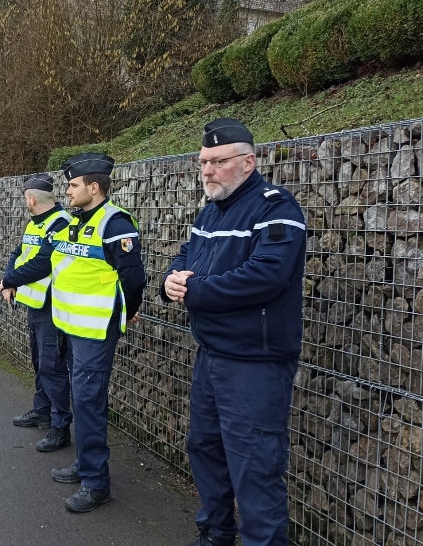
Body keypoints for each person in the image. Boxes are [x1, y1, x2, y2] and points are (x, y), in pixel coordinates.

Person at [161, 118, 306, 546]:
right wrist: (172, 279)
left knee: (255, 468)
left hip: (254, 363)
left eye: (218, 161)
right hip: (211, 355)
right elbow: (187, 254)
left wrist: (195, 291)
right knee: (205, 449)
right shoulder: (211, 210)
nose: (208, 171)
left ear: (248, 162)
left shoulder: (276, 207)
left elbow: (267, 275)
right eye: (203, 162)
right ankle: (215, 534)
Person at [45, 152, 147, 513]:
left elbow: (133, 279)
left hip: (95, 331)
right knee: (83, 399)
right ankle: (85, 463)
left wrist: (126, 313)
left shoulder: (115, 223)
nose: (67, 191)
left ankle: (95, 482)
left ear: (94, 187)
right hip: (73, 329)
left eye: (73, 185)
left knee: (88, 402)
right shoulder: (75, 222)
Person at [0, 173, 73, 453]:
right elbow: (18, 253)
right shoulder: (35, 223)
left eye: (25, 199)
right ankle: (42, 410)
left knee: (52, 366)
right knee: (39, 361)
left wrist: (9, 281)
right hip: (36, 305)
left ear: (31, 199)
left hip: (52, 308)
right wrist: (8, 281)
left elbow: (43, 263)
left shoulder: (60, 223)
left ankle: (60, 426)